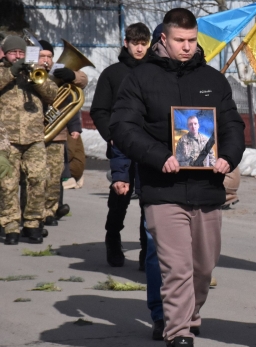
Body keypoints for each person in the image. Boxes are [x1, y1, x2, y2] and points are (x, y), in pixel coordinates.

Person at [110, 8, 245, 347]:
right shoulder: (140, 79)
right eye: (179, 41)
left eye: (192, 41)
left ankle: (189, 312)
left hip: (206, 190)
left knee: (203, 267)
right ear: (163, 40)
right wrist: (159, 156)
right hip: (162, 189)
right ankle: (180, 343)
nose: (187, 48)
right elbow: (122, 127)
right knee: (176, 269)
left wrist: (228, 157)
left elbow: (232, 124)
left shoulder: (213, 80)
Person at [90, 23, 151, 269]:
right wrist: (111, 135)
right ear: (126, 43)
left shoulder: (154, 72)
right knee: (120, 198)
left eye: (143, 43)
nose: (139, 47)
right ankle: (113, 240)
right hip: (122, 147)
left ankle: (147, 251)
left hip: (149, 147)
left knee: (149, 200)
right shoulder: (112, 73)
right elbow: (99, 110)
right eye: (134, 42)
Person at [0, 35, 59, 245]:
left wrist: (37, 81)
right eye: (13, 52)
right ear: (5, 54)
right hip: (5, 139)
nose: (17, 56)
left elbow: (53, 95)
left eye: (20, 52)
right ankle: (10, 225)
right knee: (7, 184)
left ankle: (33, 223)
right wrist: (10, 73)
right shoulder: (2, 71)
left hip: (34, 137)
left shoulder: (34, 71)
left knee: (38, 180)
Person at [36, 39, 88, 225]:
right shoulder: (32, 72)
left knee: (56, 174)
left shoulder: (57, 71)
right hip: (32, 132)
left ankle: (51, 210)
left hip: (55, 132)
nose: (46, 60)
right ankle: (34, 213)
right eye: (42, 56)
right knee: (36, 176)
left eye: (49, 56)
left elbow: (82, 82)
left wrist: (71, 75)